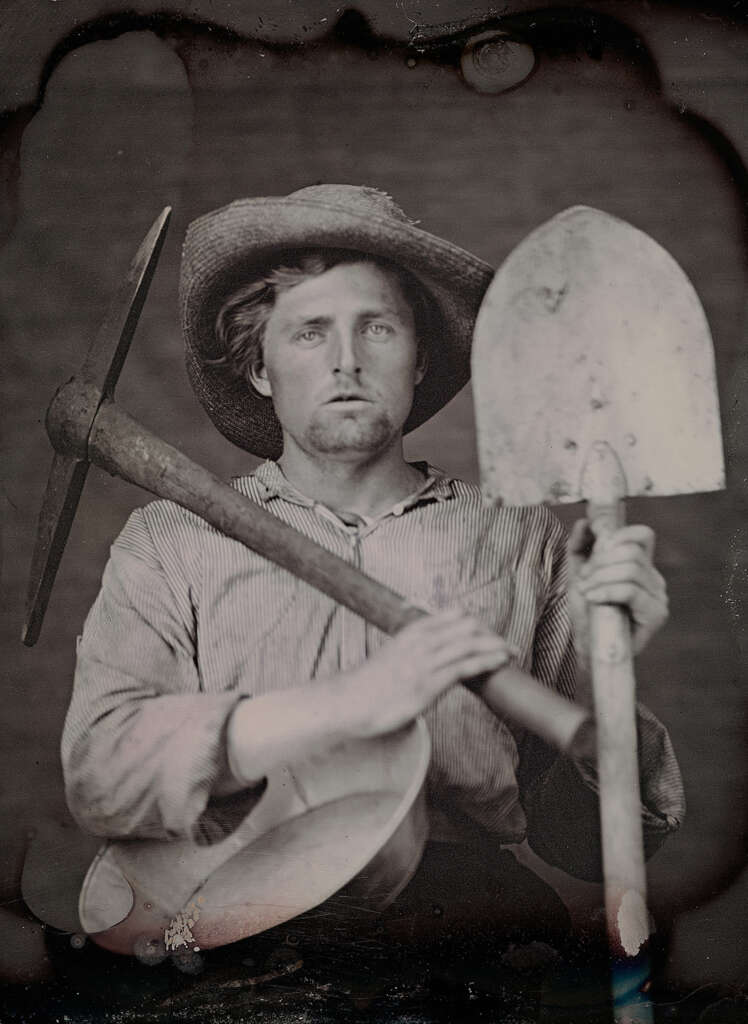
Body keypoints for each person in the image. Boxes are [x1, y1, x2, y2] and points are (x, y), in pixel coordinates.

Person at [60, 184, 684, 1000]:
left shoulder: (522, 538)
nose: (346, 361)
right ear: (258, 367)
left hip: (471, 939)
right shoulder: (171, 542)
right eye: (310, 332)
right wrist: (349, 704)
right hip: (238, 942)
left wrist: (613, 670)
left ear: (419, 358)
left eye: (377, 328)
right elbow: (100, 776)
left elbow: (591, 845)